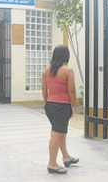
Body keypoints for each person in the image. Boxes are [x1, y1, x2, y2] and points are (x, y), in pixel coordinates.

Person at [42, 44, 79, 174]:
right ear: (66, 56)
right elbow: (72, 90)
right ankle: (52, 164)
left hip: (50, 106)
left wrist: (47, 103)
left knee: (61, 132)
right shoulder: (67, 70)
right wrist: (74, 106)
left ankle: (66, 157)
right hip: (61, 106)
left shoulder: (47, 70)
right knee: (56, 136)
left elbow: (44, 89)